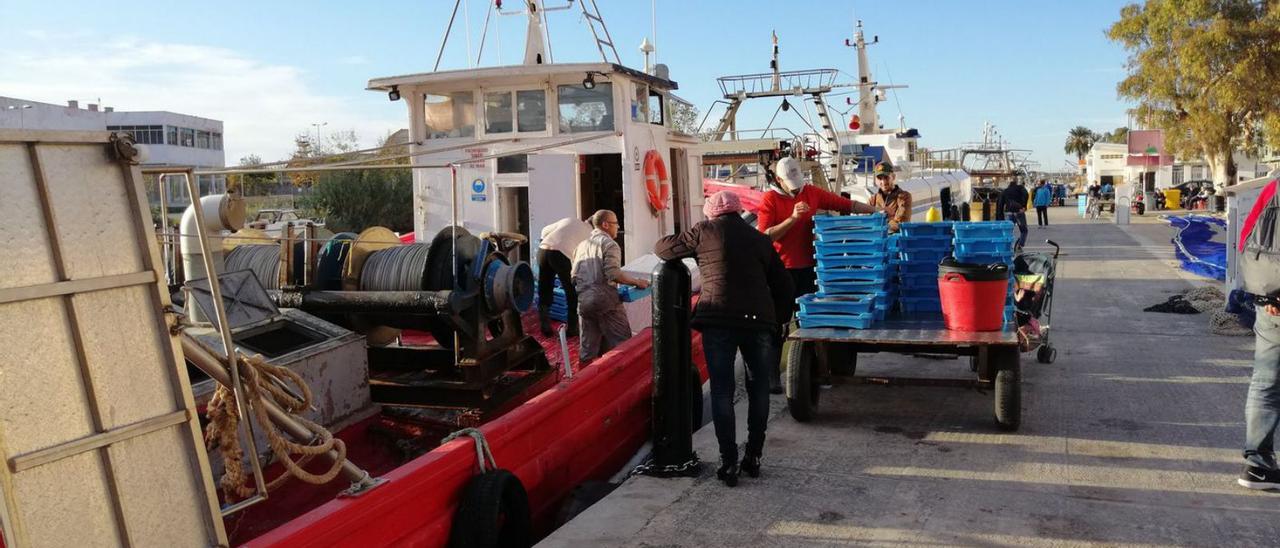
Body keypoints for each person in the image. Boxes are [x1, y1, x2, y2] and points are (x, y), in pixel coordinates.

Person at [655, 191, 794, 487]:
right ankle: (754, 456)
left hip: (718, 320)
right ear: (738, 210)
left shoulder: (704, 231)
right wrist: (779, 319)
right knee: (758, 390)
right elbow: (784, 285)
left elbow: (663, 250)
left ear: (711, 213)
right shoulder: (759, 238)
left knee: (721, 392)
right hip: (758, 322)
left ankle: (728, 460)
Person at [755, 157, 875, 390]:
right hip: (781, 271)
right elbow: (765, 236)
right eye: (791, 183)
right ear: (779, 180)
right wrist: (793, 218)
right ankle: (772, 377)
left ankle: (816, 372)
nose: (797, 188)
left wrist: (874, 211)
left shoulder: (811, 192)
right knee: (777, 325)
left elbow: (844, 205)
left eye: (798, 181)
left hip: (810, 268)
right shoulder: (770, 199)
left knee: (812, 323)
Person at [571, 210, 650, 363]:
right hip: (606, 301)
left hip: (584, 303)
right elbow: (614, 274)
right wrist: (637, 282)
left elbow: (574, 277)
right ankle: (625, 381)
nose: (618, 227)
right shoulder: (609, 244)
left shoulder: (580, 246)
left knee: (588, 351)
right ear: (605, 225)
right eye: (615, 224)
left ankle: (587, 384)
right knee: (623, 345)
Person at [537, 216, 592, 337]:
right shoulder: (591, 234)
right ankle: (572, 329)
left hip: (543, 249)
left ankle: (544, 326)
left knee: (544, 287)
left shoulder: (570, 220)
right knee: (571, 292)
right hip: (561, 255)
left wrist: (544, 241)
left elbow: (545, 230)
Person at [867, 161, 913, 233]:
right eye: (880, 178)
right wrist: (890, 219)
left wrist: (878, 221)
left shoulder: (904, 197)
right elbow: (867, 222)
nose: (883, 182)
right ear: (876, 180)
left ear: (893, 177)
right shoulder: (872, 199)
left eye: (886, 177)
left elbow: (900, 223)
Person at [998, 178, 1029, 250]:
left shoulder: (1005, 191)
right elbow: (1026, 194)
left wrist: (1000, 217)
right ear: (1016, 183)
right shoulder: (1020, 188)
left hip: (1008, 213)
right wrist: (1024, 206)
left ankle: (1008, 246)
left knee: (1009, 231)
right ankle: (1020, 245)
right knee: (1024, 230)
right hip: (1019, 212)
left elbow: (1000, 204)